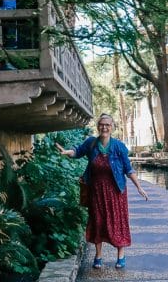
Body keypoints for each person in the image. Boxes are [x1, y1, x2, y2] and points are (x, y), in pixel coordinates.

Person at [56, 113, 148, 270]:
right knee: (98, 221)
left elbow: (128, 169)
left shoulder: (119, 146)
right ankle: (98, 256)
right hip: (96, 191)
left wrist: (139, 187)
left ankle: (121, 255)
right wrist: (67, 152)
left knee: (117, 221)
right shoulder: (91, 143)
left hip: (116, 192)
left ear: (112, 127)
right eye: (102, 124)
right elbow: (77, 151)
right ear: (98, 126)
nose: (104, 127)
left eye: (107, 124)